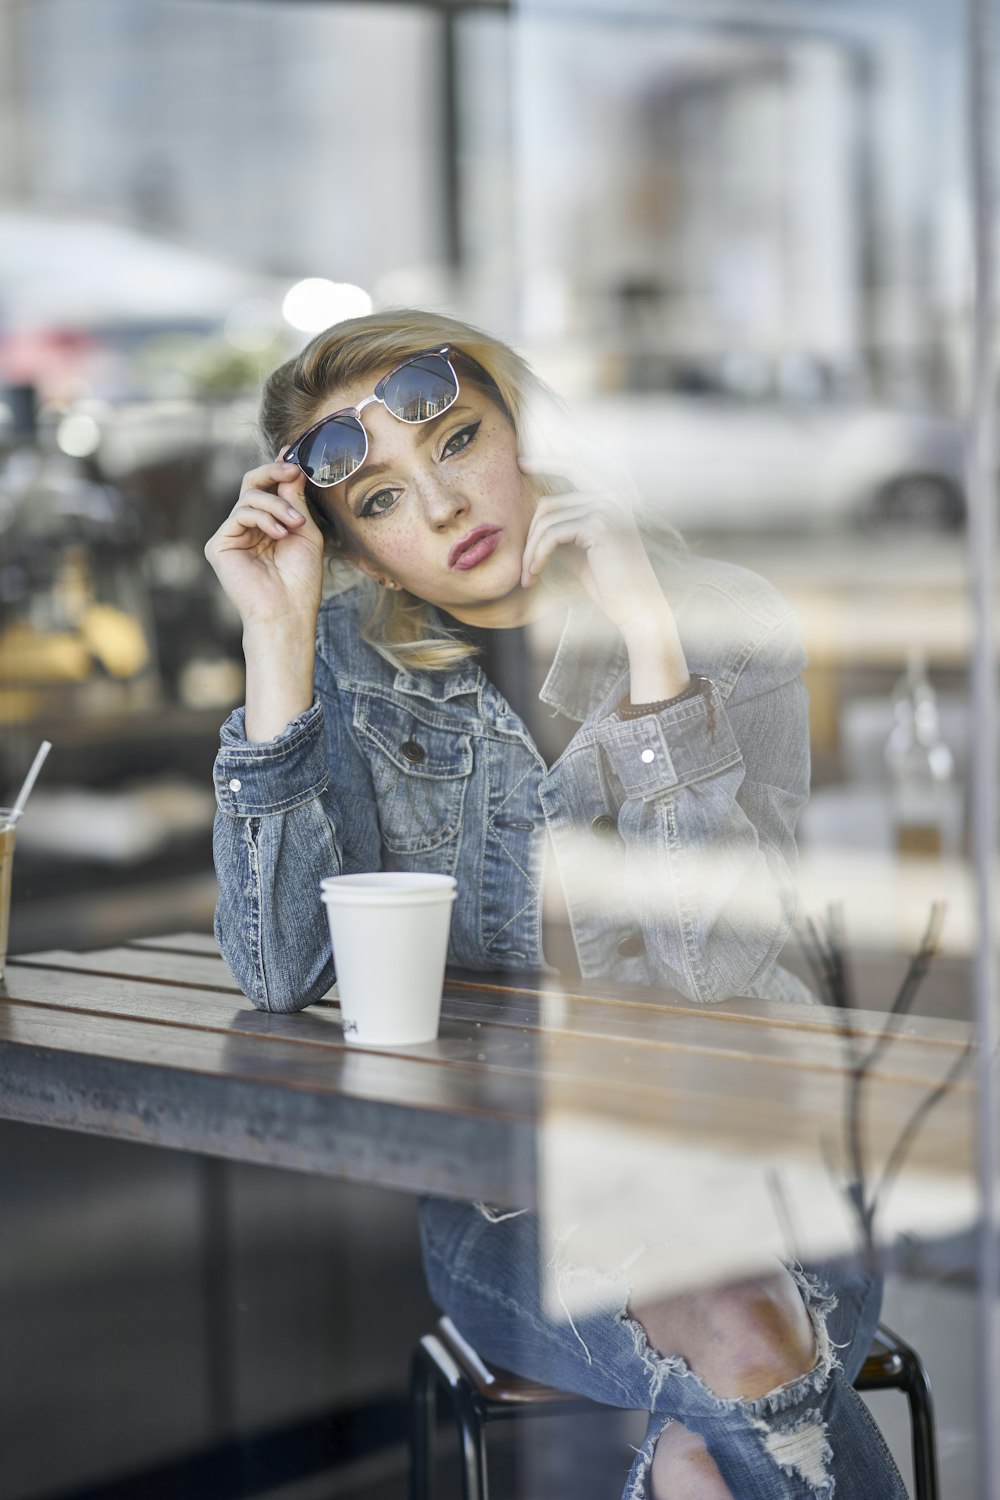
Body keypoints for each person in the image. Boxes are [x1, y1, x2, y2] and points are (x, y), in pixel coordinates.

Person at [205, 309, 907, 1499]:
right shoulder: (349, 673)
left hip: (771, 1160)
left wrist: (650, 647)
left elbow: (720, 971)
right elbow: (280, 970)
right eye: (375, 502)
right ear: (361, 554)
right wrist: (276, 642)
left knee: (718, 1430)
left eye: (457, 441)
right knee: (740, 1337)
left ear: (526, 426)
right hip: (518, 1194)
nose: (437, 507)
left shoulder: (724, 620)